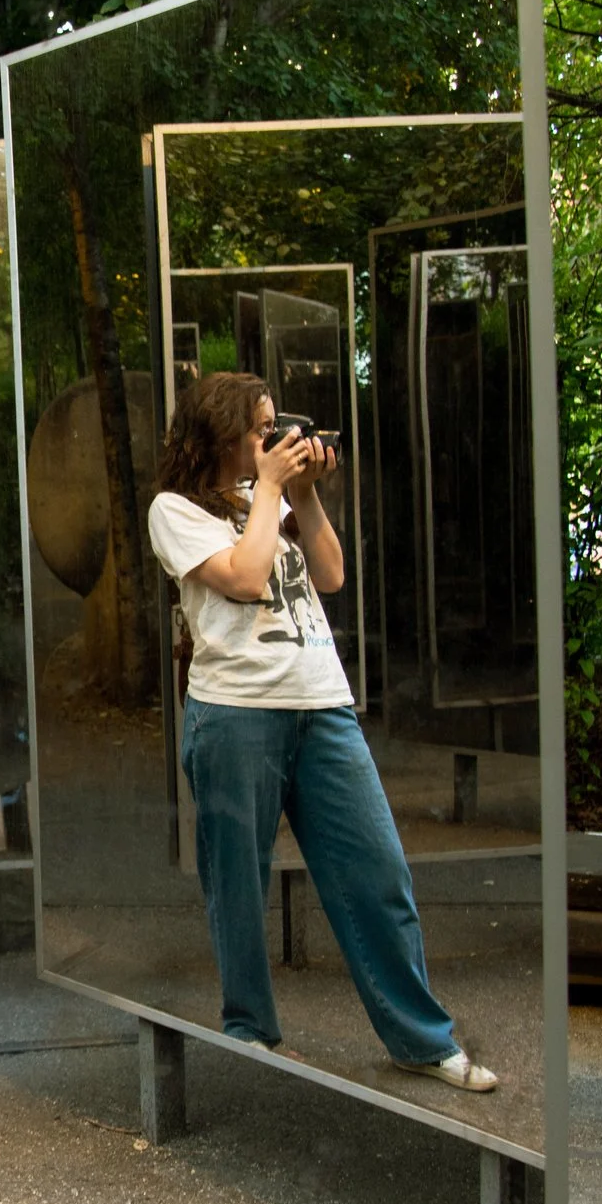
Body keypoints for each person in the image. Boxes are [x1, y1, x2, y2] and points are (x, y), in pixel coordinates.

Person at [147, 370, 497, 1093]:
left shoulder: (269, 497)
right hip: (235, 711)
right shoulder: (173, 510)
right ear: (219, 432)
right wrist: (273, 490)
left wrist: (301, 492)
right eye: (258, 428)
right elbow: (244, 578)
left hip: (321, 701)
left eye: (275, 425)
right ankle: (253, 1032)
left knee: (378, 870)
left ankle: (421, 1039)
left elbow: (331, 575)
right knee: (239, 886)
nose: (271, 439)